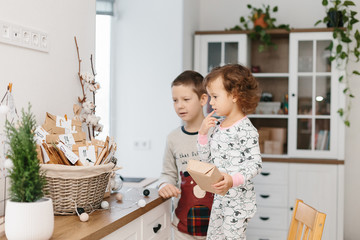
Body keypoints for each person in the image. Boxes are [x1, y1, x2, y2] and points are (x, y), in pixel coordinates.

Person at [197, 64, 262, 239]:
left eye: (215, 97)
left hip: (238, 203)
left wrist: (232, 180)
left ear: (234, 95)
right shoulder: (218, 127)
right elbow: (207, 160)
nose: (210, 102)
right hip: (220, 201)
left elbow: (255, 164)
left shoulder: (246, 130)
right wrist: (202, 134)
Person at [158, 70, 214, 239]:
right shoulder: (173, 138)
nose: (179, 105)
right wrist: (164, 186)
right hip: (182, 227)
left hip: (217, 226)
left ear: (203, 99)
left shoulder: (218, 134)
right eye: (175, 100)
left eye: (186, 100)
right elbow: (168, 174)